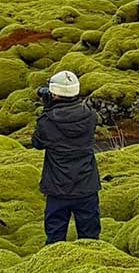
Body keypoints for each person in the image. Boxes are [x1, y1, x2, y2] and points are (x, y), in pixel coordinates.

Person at [31, 70, 101, 244]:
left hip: (58, 187)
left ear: (54, 93)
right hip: (87, 184)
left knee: (55, 239)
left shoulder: (47, 121)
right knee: (91, 238)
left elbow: (37, 143)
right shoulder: (90, 115)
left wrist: (47, 109)